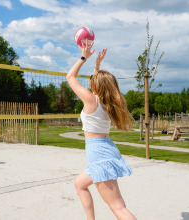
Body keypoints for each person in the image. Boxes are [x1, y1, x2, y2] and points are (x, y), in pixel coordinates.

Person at [66, 40, 137, 220]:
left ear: (95, 86)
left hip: (99, 154)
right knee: (80, 184)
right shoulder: (107, 102)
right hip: (105, 149)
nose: (90, 83)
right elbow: (98, 82)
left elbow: (70, 77)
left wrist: (84, 57)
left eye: (93, 81)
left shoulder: (91, 100)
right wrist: (96, 65)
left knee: (118, 207)